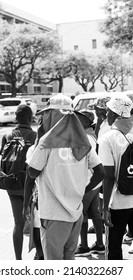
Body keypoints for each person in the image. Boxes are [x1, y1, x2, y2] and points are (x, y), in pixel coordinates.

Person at [26, 93, 105, 260]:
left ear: (54, 115)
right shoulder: (83, 140)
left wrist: (39, 138)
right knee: (68, 260)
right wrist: (83, 191)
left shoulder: (46, 141)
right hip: (75, 213)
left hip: (54, 215)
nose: (44, 117)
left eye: (47, 113)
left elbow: (32, 171)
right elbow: (100, 172)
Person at [98, 95, 133, 260]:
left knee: (114, 249)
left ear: (115, 114)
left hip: (118, 203)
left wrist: (105, 208)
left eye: (108, 111)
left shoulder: (108, 139)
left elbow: (109, 176)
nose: (106, 115)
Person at [0, 104, 36, 260]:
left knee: (18, 223)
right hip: (29, 185)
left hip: (11, 184)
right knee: (36, 224)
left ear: (16, 118)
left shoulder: (7, 135)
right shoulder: (34, 136)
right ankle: (39, 256)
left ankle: (18, 260)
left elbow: (2, 155)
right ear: (30, 118)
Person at [74, 109, 105, 256]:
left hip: (88, 181)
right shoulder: (90, 134)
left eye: (79, 117)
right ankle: (99, 244)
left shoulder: (86, 136)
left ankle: (84, 246)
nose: (76, 119)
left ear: (86, 121)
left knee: (82, 213)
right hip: (94, 181)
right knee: (95, 213)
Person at [87, 97, 111, 234]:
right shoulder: (102, 123)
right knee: (101, 197)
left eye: (96, 108)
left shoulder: (109, 126)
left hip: (107, 166)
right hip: (101, 164)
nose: (95, 111)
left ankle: (105, 222)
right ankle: (101, 222)